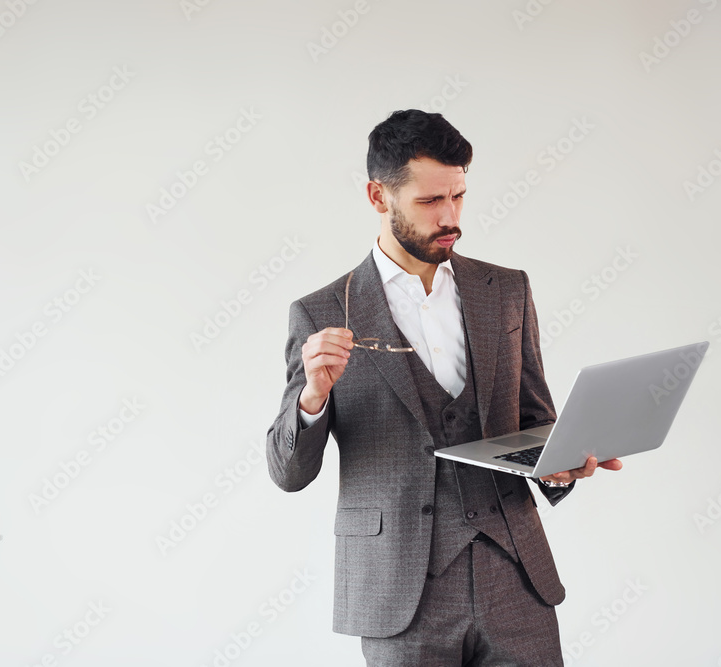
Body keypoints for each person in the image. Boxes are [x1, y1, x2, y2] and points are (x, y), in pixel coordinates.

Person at [266, 109, 621, 666]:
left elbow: (535, 419)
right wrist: (313, 397)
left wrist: (561, 461)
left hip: (516, 579)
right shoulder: (321, 313)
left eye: (458, 196)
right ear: (378, 196)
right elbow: (288, 473)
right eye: (431, 202)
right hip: (399, 591)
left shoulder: (505, 290)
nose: (450, 216)